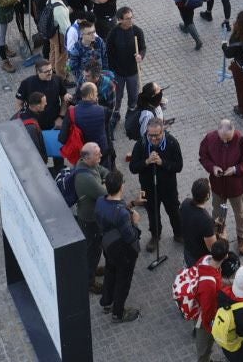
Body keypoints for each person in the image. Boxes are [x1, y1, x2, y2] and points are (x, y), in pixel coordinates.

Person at [199, 118, 243, 256]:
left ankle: (241, 237)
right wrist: (212, 167)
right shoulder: (210, 138)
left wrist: (236, 169)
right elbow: (203, 156)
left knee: (240, 214)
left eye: (228, 139)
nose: (225, 141)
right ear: (217, 131)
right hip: (218, 186)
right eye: (222, 139)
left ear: (233, 131)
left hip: (236, 188)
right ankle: (219, 235)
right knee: (217, 213)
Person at [128, 117, 183, 253]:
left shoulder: (172, 143)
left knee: (174, 211)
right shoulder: (140, 144)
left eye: (156, 135)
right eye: (150, 135)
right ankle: (155, 235)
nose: (153, 139)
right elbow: (133, 168)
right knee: (152, 213)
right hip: (148, 187)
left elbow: (179, 166)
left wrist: (162, 163)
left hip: (168, 188)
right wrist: (146, 161)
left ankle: (179, 234)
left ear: (163, 131)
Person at [95, 171, 143, 322]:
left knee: (110, 272)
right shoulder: (121, 213)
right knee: (123, 281)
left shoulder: (101, 201)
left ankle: (106, 302)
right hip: (123, 252)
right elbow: (130, 237)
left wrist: (133, 203)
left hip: (107, 246)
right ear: (121, 186)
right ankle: (118, 313)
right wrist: (135, 221)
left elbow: (115, 209)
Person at [69, 142, 108, 290]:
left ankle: (92, 270)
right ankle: (89, 281)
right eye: (97, 154)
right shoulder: (86, 179)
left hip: (91, 216)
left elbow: (103, 170)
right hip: (90, 220)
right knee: (93, 250)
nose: (101, 156)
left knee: (94, 249)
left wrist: (105, 178)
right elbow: (105, 192)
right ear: (86, 157)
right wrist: (106, 182)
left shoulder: (87, 164)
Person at [184, 239, 230, 362]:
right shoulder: (209, 284)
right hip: (203, 317)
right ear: (225, 256)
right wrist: (210, 327)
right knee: (204, 347)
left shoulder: (205, 259)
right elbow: (207, 310)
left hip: (196, 304)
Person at [179, 176, 223, 267]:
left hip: (188, 250)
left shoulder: (185, 203)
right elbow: (212, 248)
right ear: (207, 196)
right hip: (198, 258)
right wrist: (223, 238)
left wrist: (213, 223)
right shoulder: (206, 220)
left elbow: (193, 222)